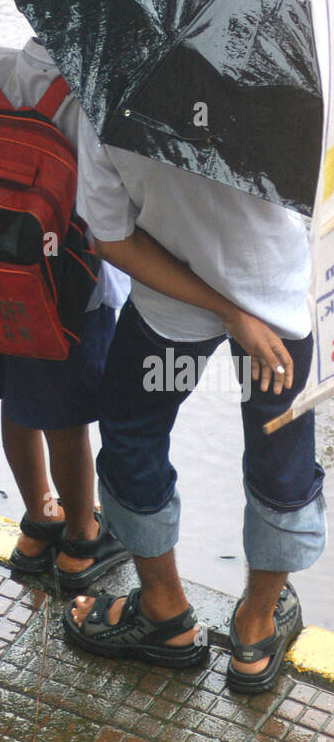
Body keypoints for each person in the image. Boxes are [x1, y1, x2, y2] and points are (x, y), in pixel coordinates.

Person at [60, 47, 325, 691]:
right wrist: (242, 312)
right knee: (279, 458)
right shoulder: (301, 70)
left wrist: (220, 309)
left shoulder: (108, 85)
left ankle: (165, 614)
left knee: (134, 434)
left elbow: (112, 237)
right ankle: (256, 637)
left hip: (168, 315)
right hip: (280, 313)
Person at [0, 36, 131, 590]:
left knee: (16, 401)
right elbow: (110, 209)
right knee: (65, 417)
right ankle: (82, 538)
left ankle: (39, 520)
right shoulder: (95, 95)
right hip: (63, 293)